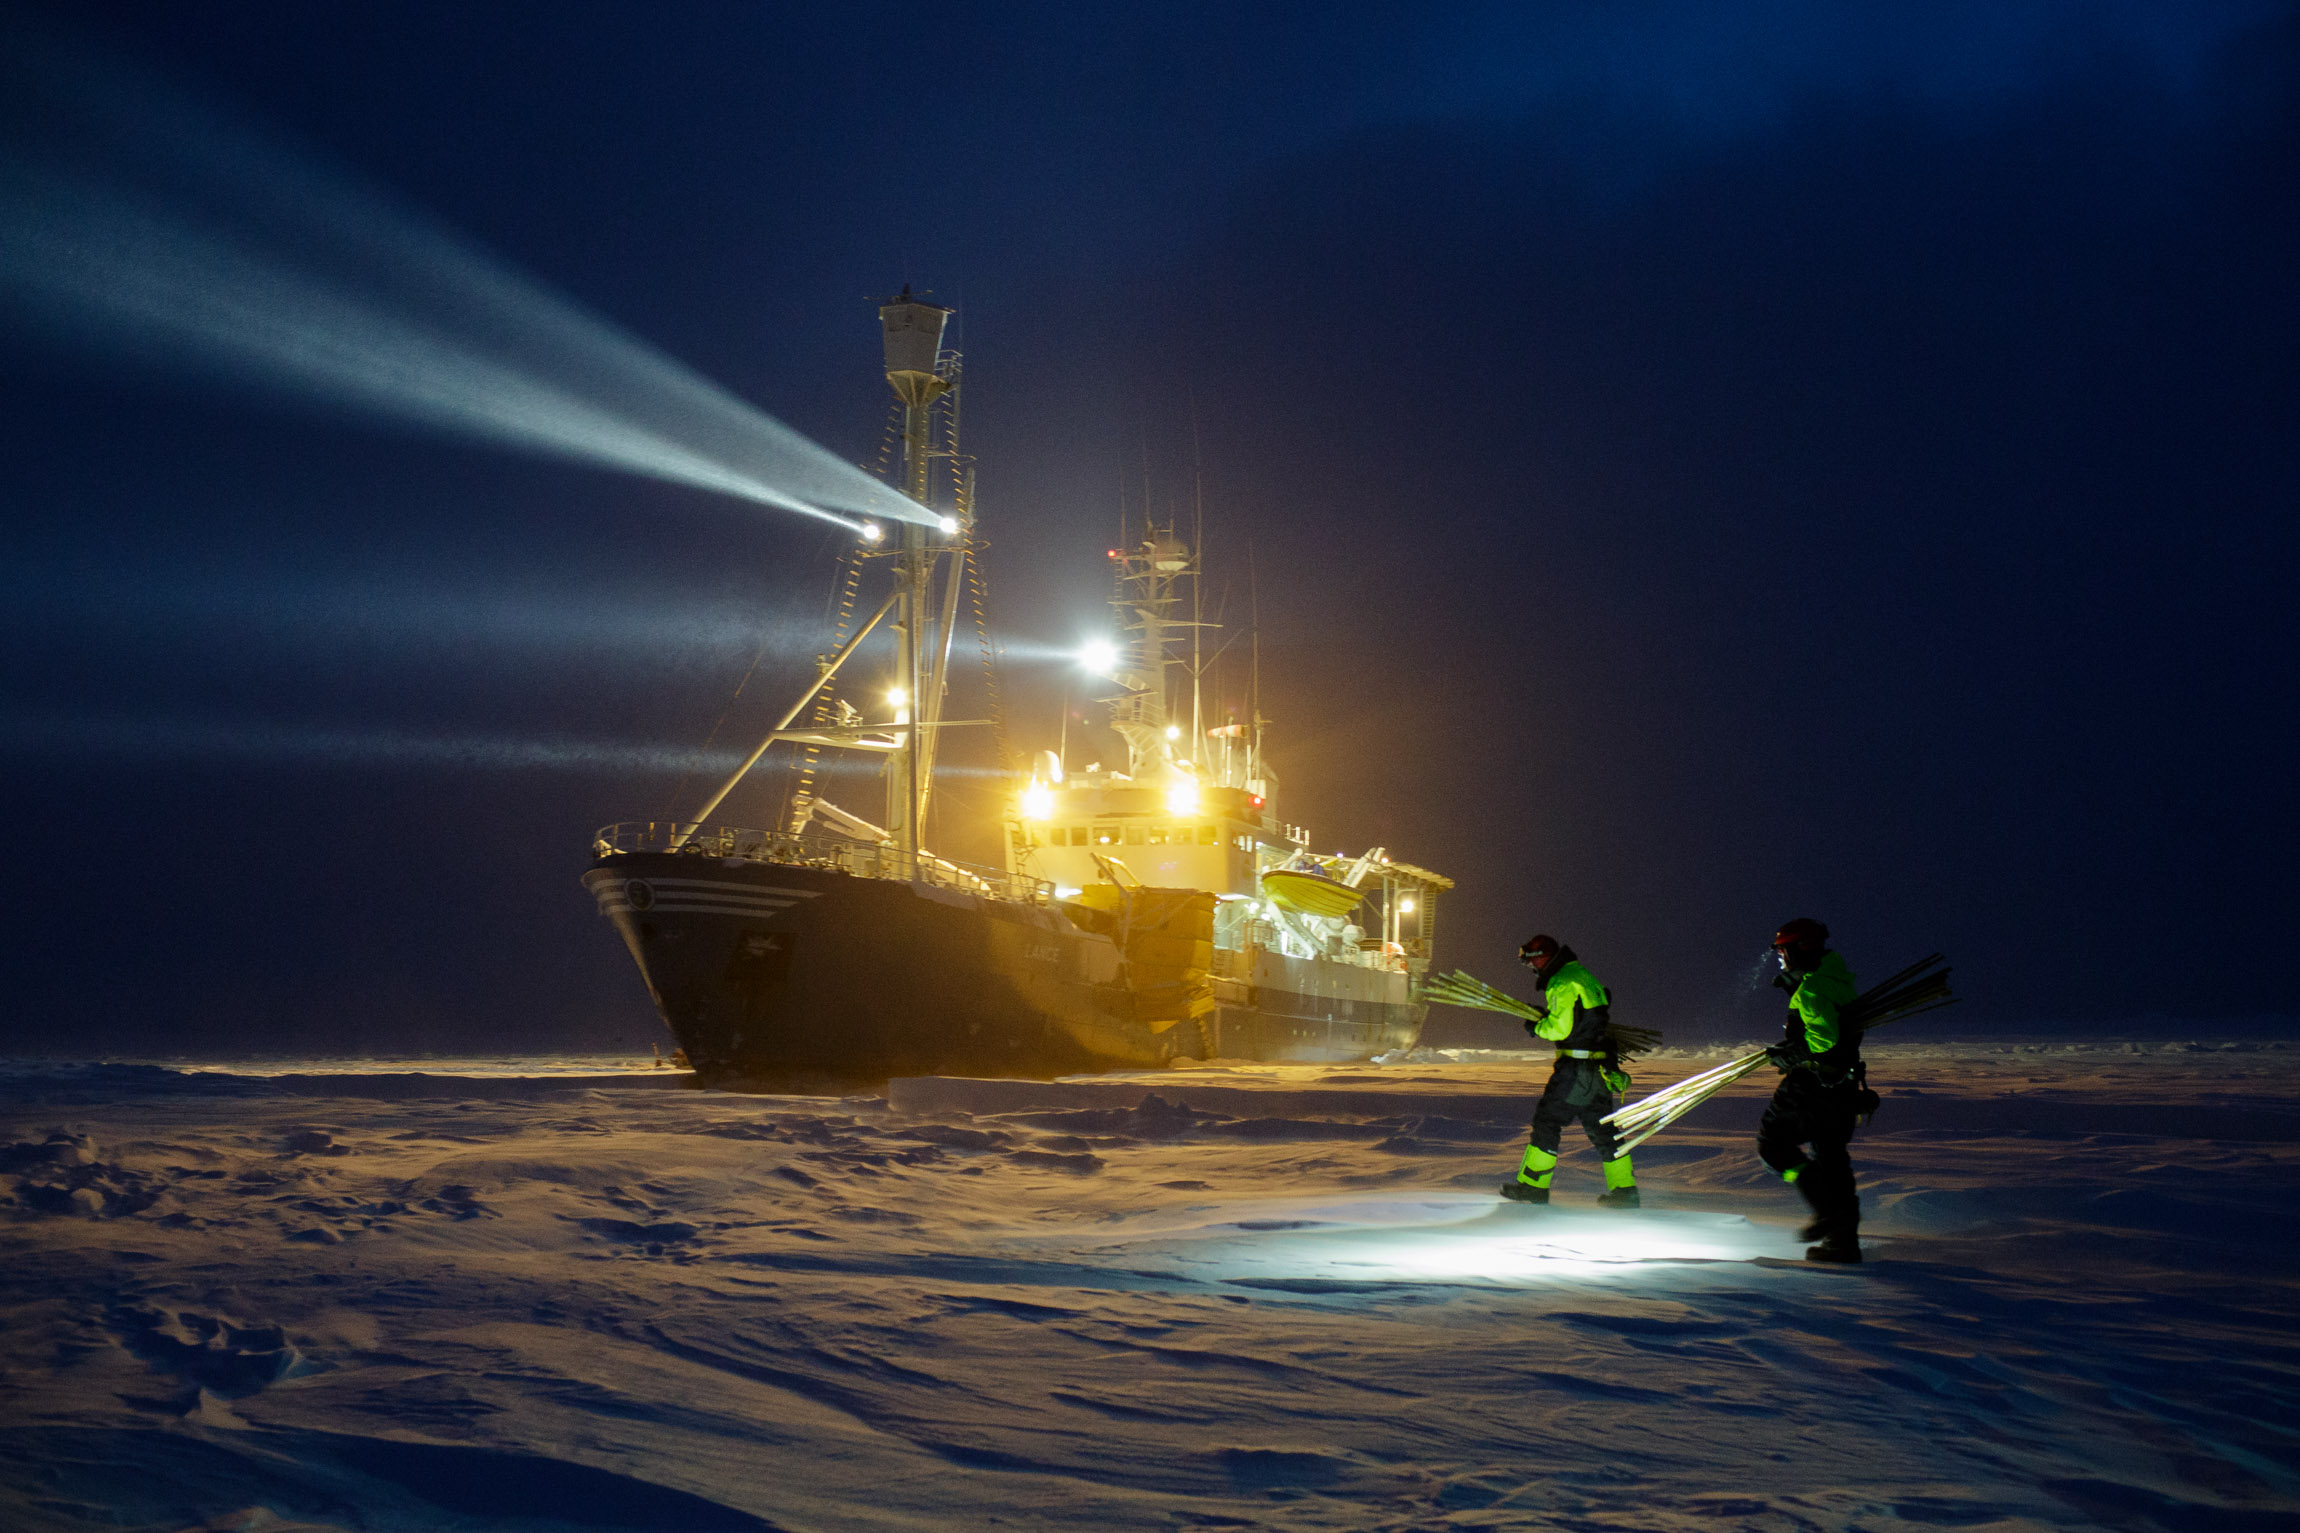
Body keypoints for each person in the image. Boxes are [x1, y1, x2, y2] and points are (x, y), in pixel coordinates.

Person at [1758, 918, 1874, 1263]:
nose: (1780, 958)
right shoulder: (1840, 981)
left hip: (1812, 1086)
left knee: (1774, 1146)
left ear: (1798, 949)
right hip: (1843, 1087)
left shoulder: (1812, 989)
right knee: (1832, 1158)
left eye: (1783, 951)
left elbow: (1822, 1043)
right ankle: (1842, 1242)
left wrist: (1792, 1053)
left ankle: (1825, 1211)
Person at [1500, 934, 1639, 1208]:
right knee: (1604, 1129)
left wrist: (1537, 1026)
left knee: (1548, 1122)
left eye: (1532, 961)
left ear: (1543, 956)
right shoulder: (1582, 975)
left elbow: (1561, 1029)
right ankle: (1625, 1191)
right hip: (1599, 1068)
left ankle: (1534, 1187)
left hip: (1574, 1070)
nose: (1532, 967)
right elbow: (1586, 1021)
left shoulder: (1561, 981)